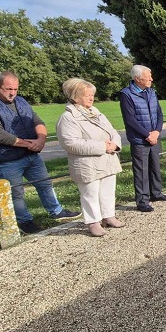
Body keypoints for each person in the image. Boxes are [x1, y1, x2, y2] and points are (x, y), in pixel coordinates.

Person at [0, 71, 81, 234]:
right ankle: (25, 221)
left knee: (45, 184)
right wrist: (29, 144)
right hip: (6, 159)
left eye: (16, 89)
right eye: (8, 89)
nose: (12, 93)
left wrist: (41, 139)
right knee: (16, 192)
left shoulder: (21, 101)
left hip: (31, 156)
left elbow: (37, 121)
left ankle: (57, 212)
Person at [56, 78, 124, 237]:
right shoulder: (68, 117)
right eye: (87, 95)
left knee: (107, 190)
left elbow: (113, 131)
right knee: (90, 193)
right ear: (75, 96)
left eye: (92, 94)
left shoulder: (96, 112)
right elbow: (70, 143)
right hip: (87, 162)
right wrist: (103, 147)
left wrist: (115, 144)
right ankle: (93, 221)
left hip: (107, 159)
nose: (91, 98)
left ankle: (108, 216)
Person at [119, 65, 166, 213]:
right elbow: (130, 120)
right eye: (148, 76)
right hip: (139, 140)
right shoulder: (126, 94)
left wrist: (156, 131)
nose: (151, 79)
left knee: (155, 166)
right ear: (137, 78)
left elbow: (159, 114)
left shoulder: (151, 92)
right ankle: (142, 200)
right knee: (141, 170)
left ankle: (156, 193)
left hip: (154, 136)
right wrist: (147, 135)